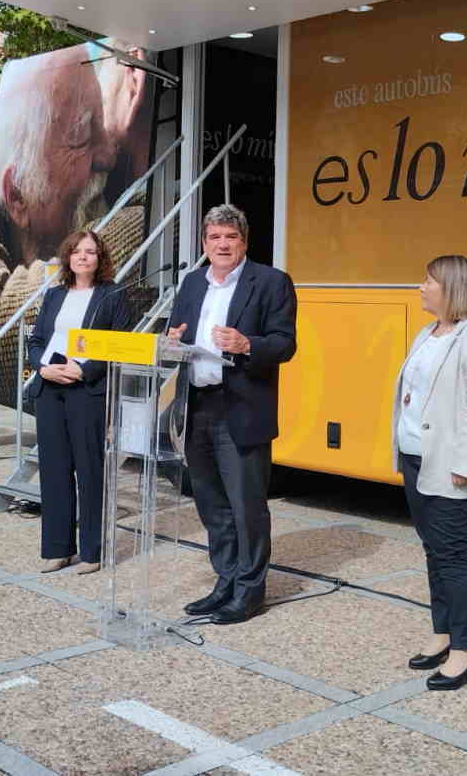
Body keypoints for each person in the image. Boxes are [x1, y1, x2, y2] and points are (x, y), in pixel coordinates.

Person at [0, 41, 154, 410]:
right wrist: (141, 157)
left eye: (103, 123)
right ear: (18, 196)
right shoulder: (13, 300)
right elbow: (15, 331)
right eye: (81, 136)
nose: (109, 153)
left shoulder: (16, 242)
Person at [167, 204, 297, 624]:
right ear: (204, 243)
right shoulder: (191, 284)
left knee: (246, 507)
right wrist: (168, 341)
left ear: (244, 241)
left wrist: (247, 345)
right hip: (198, 405)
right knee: (211, 504)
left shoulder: (271, 282)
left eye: (231, 237)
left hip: (241, 407)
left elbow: (285, 344)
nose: (222, 244)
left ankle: (250, 591)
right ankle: (225, 581)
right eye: (215, 237)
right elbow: (175, 335)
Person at [393, 254, 467, 691]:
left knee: (454, 557)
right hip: (415, 458)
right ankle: (443, 632)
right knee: (433, 551)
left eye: (429, 280)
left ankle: (465, 649)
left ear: (451, 288)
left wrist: (466, 464)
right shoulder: (428, 333)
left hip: (450, 466)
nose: (421, 286)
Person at [26, 229, 132, 574]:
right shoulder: (54, 294)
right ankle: (58, 548)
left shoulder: (112, 295)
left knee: (89, 470)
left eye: (90, 251)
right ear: (68, 257)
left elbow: (119, 342)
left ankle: (92, 551)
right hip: (50, 388)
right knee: (54, 471)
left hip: (87, 390)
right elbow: (38, 338)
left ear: (100, 258)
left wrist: (83, 369)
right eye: (77, 251)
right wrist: (43, 368)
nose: (83, 257)